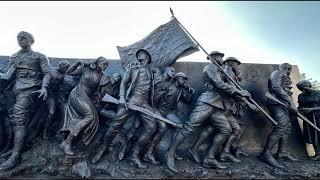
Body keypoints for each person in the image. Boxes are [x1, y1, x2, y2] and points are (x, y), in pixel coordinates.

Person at [165, 51, 251, 173]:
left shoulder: (221, 70)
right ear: (213, 58)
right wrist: (239, 92)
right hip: (207, 101)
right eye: (220, 57)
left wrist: (237, 77)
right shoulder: (210, 67)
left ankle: (209, 159)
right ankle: (169, 154)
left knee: (226, 130)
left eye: (222, 57)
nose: (222, 59)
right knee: (189, 127)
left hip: (217, 105)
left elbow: (230, 83)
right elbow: (219, 83)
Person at [92, 49, 156, 168]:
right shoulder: (132, 68)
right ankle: (102, 149)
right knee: (115, 126)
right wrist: (122, 97)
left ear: (147, 57)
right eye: (138, 56)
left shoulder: (151, 71)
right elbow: (124, 83)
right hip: (131, 100)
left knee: (151, 128)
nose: (139, 58)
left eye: (141, 56)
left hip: (145, 103)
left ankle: (134, 156)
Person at [0, 31, 51, 170]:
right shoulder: (14, 56)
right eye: (18, 38)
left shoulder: (39, 56)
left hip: (31, 89)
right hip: (14, 90)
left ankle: (15, 156)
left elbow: (47, 73)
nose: (20, 40)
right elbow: (8, 76)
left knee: (19, 119)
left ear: (31, 40)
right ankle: (11, 148)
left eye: (23, 38)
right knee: (13, 120)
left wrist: (44, 88)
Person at [60, 57, 109, 156]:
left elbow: (102, 90)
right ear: (97, 62)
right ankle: (67, 142)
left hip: (87, 98)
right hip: (77, 94)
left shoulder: (103, 76)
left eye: (107, 65)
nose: (105, 66)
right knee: (90, 116)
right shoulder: (85, 69)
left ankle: (72, 141)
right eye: (103, 64)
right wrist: (77, 63)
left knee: (92, 118)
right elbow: (69, 72)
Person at [259, 63, 298, 168]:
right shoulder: (278, 73)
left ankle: (282, 153)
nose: (290, 72)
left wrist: (289, 103)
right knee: (280, 127)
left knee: (287, 128)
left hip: (284, 104)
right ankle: (266, 154)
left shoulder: (284, 76)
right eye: (290, 70)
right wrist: (290, 101)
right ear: (288, 69)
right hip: (276, 103)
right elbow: (275, 87)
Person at [42, 60, 70, 140]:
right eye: (65, 67)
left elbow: (63, 86)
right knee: (51, 112)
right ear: (60, 66)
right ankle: (45, 131)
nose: (66, 69)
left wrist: (62, 95)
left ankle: (60, 131)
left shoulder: (65, 75)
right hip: (48, 93)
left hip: (58, 94)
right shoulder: (50, 70)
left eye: (67, 68)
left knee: (66, 111)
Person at [296, 80, 320, 160]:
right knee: (313, 135)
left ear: (309, 86)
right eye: (300, 89)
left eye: (304, 88)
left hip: (318, 116)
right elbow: (300, 106)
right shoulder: (301, 96)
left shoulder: (318, 93)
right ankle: (318, 154)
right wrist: (299, 110)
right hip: (309, 118)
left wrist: (312, 109)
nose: (303, 90)